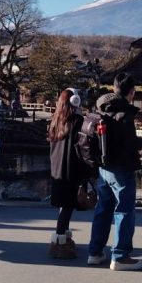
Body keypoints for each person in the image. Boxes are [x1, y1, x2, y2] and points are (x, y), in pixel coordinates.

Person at [87, 72, 142, 271]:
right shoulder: (124, 114)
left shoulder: (102, 108)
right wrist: (141, 142)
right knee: (124, 210)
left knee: (103, 209)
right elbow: (129, 144)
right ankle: (120, 256)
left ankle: (95, 251)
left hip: (104, 167)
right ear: (132, 92)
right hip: (121, 168)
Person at [46, 89, 87, 259]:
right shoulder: (77, 120)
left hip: (57, 167)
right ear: (75, 101)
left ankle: (62, 237)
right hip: (71, 167)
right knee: (68, 205)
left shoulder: (55, 120)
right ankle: (60, 241)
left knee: (64, 205)